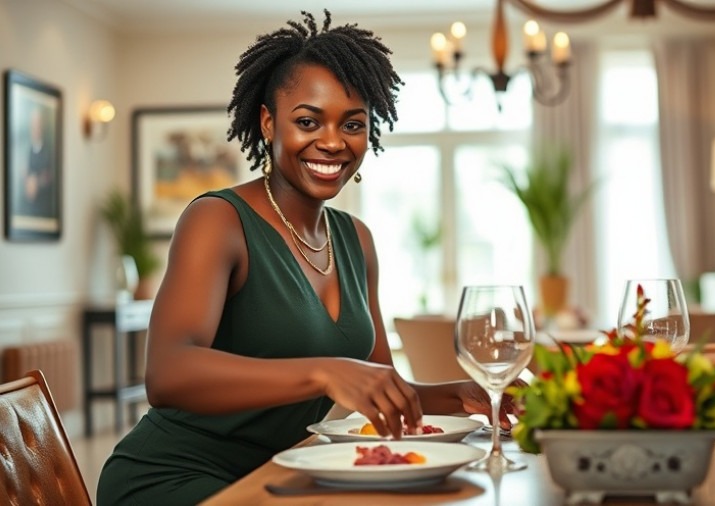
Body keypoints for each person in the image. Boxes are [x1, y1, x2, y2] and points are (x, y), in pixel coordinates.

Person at [97, 10, 519, 505]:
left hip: (286, 476)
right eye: (307, 121)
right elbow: (167, 374)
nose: (334, 142)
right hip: (174, 477)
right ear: (268, 122)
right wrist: (325, 370)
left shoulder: (356, 239)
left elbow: (383, 386)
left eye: (353, 124)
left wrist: (467, 394)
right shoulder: (218, 220)